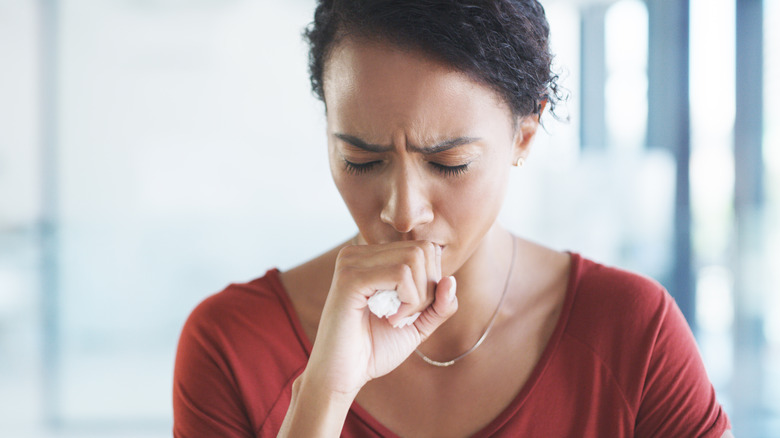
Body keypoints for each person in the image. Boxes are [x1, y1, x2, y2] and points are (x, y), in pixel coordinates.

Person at [173, 1, 733, 436]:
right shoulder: (231, 346)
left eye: (450, 163)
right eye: (360, 160)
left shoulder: (633, 336)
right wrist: (323, 396)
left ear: (525, 134)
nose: (403, 211)